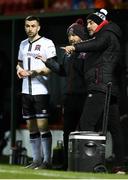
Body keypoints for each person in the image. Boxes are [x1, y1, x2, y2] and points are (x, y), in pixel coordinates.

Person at [63, 9, 125, 174]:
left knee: (85, 124)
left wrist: (74, 47)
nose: (88, 26)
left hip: (100, 86)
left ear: (100, 22)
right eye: (88, 23)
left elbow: (96, 44)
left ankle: (85, 165)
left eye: (91, 22)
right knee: (115, 128)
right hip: (108, 88)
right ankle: (120, 166)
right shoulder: (107, 35)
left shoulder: (106, 34)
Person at [36, 18, 89, 170]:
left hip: (84, 97)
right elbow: (62, 71)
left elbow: (86, 74)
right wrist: (47, 61)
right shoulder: (68, 54)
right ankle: (68, 164)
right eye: (69, 36)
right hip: (69, 97)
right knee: (68, 132)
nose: (71, 38)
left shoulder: (87, 52)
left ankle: (84, 164)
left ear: (81, 36)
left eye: (74, 35)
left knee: (83, 131)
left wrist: (76, 52)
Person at [16, 15, 57, 169]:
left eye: (33, 26)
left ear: (38, 27)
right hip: (25, 91)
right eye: (27, 26)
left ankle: (47, 161)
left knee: (42, 126)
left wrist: (35, 72)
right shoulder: (22, 44)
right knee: (31, 127)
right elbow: (19, 63)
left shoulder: (47, 43)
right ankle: (36, 160)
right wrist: (19, 70)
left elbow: (51, 68)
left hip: (41, 91)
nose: (30, 29)